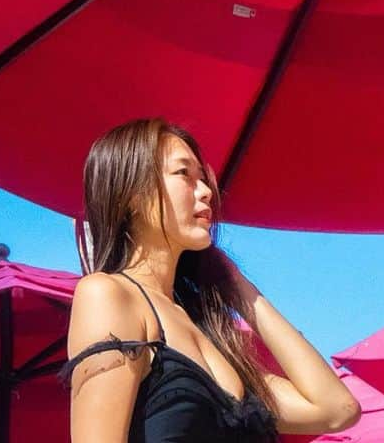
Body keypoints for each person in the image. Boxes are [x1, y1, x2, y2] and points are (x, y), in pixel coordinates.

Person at [63, 118, 361, 442]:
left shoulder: (210, 333)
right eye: (184, 175)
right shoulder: (108, 295)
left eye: (204, 179)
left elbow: (337, 409)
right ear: (132, 194)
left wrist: (236, 285)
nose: (205, 192)